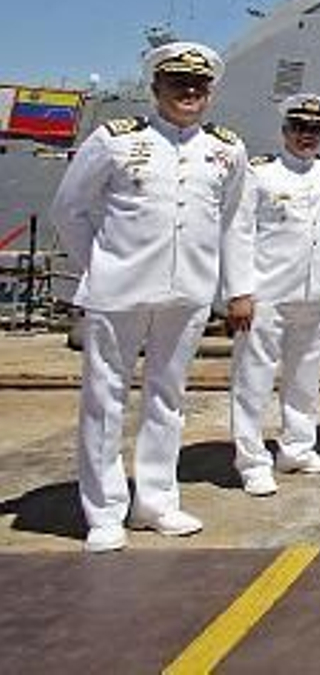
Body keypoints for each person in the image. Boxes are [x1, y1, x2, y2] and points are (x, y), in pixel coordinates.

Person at [50, 41, 252, 552]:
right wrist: (102, 265)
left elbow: (230, 222)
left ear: (210, 91)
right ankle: (104, 511)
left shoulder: (226, 150)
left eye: (200, 84)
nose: (190, 91)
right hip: (119, 291)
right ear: (155, 87)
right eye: (178, 82)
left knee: (167, 397)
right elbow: (69, 210)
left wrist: (234, 289)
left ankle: (157, 501)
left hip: (187, 292)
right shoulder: (115, 140)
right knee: (104, 399)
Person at [230, 93, 320, 499]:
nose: (307, 136)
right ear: (285, 131)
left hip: (315, 293)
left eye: (314, 129)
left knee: (305, 376)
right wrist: (240, 291)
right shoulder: (260, 173)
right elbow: (239, 232)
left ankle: (298, 448)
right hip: (268, 293)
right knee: (254, 380)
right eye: (299, 128)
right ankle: (252, 462)